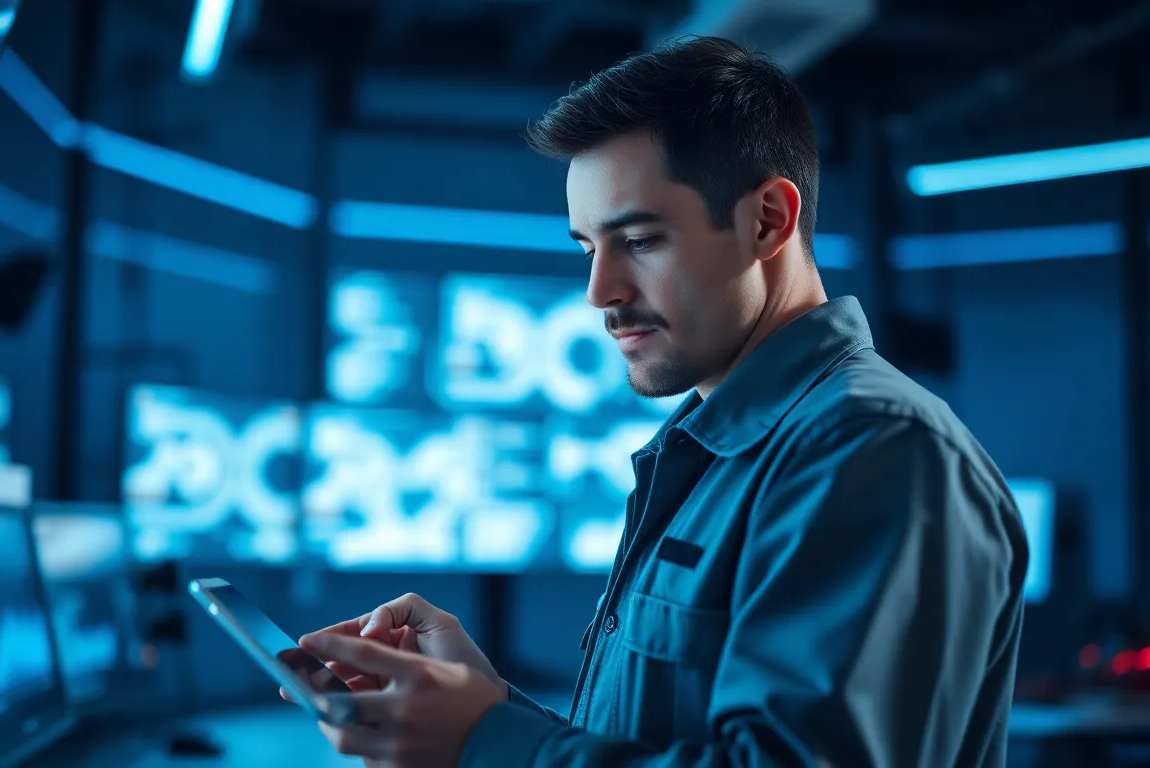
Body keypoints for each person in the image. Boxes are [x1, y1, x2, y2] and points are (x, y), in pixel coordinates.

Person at [296, 35, 1030, 768]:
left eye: (639, 241)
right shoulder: (720, 452)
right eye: (589, 249)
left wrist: (490, 743)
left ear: (768, 221)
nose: (599, 293)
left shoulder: (871, 448)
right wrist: (482, 708)